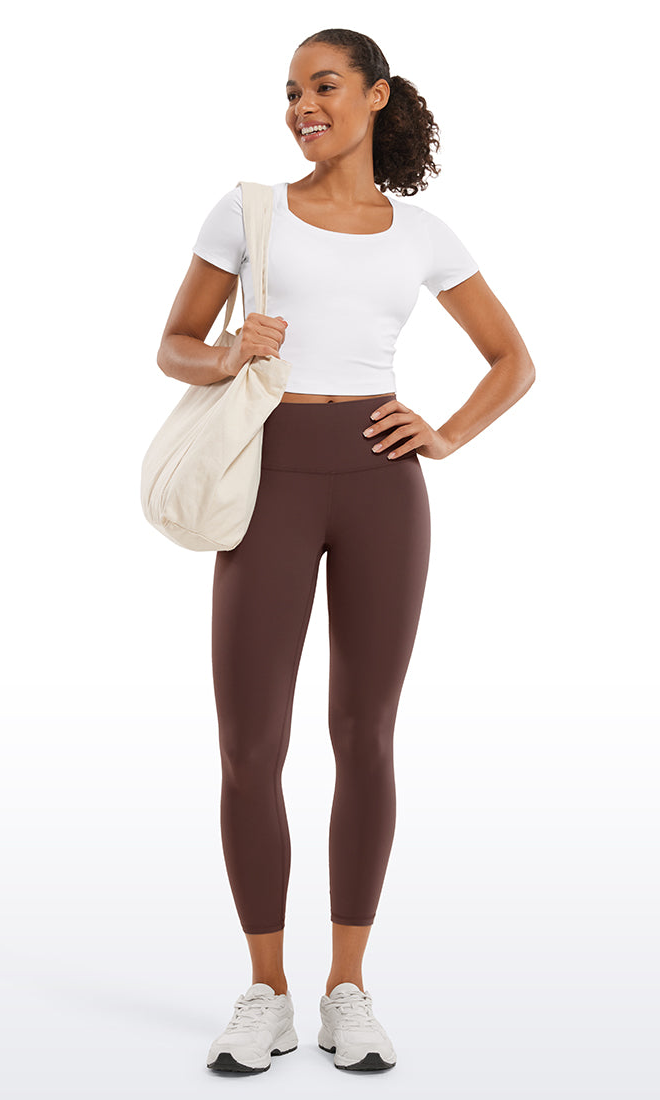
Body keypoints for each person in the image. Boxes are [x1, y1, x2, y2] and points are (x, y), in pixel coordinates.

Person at [157, 27, 535, 1076]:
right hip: (268, 475)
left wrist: (445, 433)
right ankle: (264, 992)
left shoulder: (421, 233)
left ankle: (348, 989)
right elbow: (173, 344)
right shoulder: (248, 212)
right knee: (250, 743)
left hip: (381, 485)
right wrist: (227, 352)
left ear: (376, 95)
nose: (301, 107)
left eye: (322, 86)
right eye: (289, 91)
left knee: (364, 735)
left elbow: (512, 359)